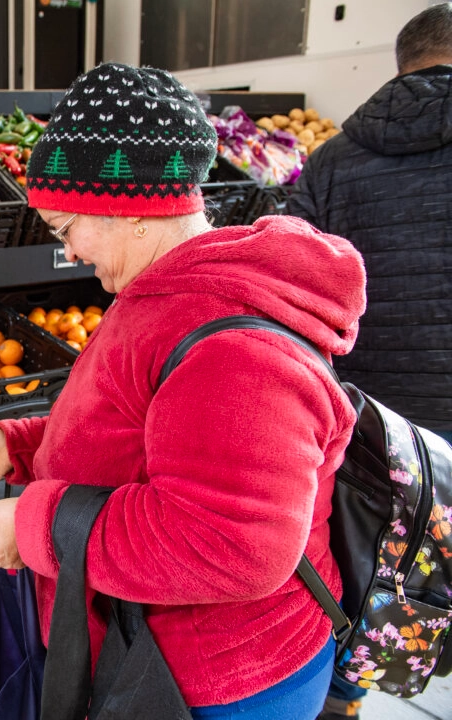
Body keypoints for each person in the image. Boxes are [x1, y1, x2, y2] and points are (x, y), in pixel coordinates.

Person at [0, 62, 366, 719]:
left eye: (65, 230)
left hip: (216, 684)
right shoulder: (165, 290)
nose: (70, 253)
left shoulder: (232, 347)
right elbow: (145, 428)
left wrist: (37, 525)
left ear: (128, 209)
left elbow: (233, 546)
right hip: (152, 658)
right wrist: (24, 444)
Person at [287, 6, 452, 717]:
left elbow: (287, 284)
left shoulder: (332, 159)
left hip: (368, 422)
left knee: (366, 574)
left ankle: (345, 693)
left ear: (400, 64)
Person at [288, 3, 452, 447]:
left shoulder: (330, 159)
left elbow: (290, 273)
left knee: (389, 517)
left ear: (402, 62)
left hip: (367, 412)